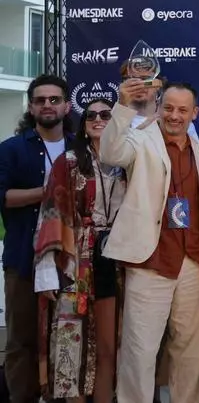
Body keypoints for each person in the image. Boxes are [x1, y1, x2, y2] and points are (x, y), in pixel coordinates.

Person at [99, 79, 199, 403]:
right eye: (169, 108)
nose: (174, 116)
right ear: (159, 107)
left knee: (190, 351)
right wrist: (123, 105)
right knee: (139, 351)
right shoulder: (140, 140)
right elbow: (109, 153)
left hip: (195, 261)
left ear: (195, 113)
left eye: (182, 110)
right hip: (150, 260)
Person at [33, 97, 120, 403]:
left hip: (119, 260)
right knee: (71, 339)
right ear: (83, 126)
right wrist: (47, 271)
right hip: (74, 261)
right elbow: (50, 215)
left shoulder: (128, 162)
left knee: (111, 344)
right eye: (91, 116)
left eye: (105, 115)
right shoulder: (68, 162)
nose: (98, 120)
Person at [0, 74, 73, 403]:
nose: (47, 105)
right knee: (21, 341)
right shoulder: (11, 149)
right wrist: (46, 192)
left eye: (54, 99)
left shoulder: (81, 148)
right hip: (23, 259)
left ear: (66, 106)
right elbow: (2, 196)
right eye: (40, 100)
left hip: (69, 261)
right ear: (30, 107)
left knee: (66, 337)